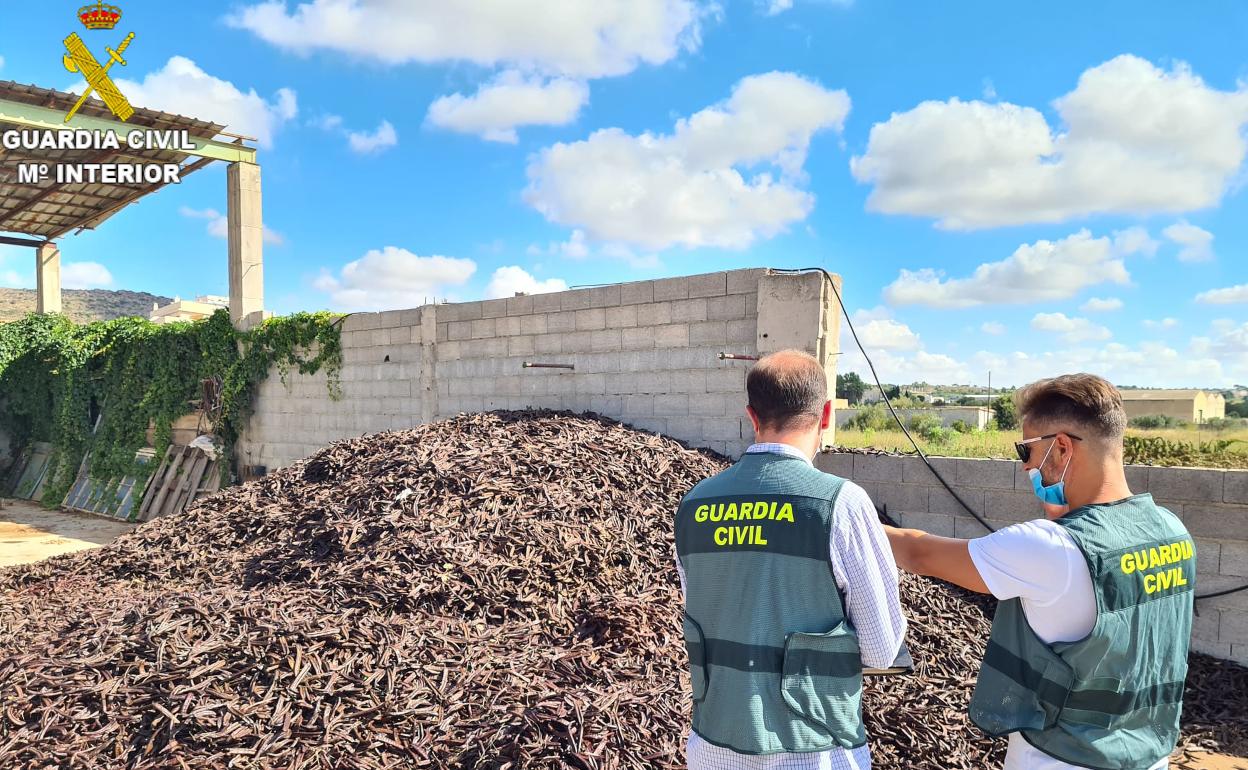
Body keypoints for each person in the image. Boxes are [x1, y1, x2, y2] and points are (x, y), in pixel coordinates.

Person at [886, 374, 1195, 770]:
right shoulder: (1172, 531)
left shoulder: (1049, 548)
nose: (1026, 467)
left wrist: (839, 511)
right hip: (1148, 756)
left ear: (1062, 448)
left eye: (1027, 451)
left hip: (1060, 758)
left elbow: (917, 552)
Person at [675, 349, 907, 769]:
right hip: (814, 749)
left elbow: (707, 612)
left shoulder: (694, 505)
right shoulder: (841, 503)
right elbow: (881, 649)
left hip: (713, 745)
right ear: (825, 415)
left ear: (751, 415)